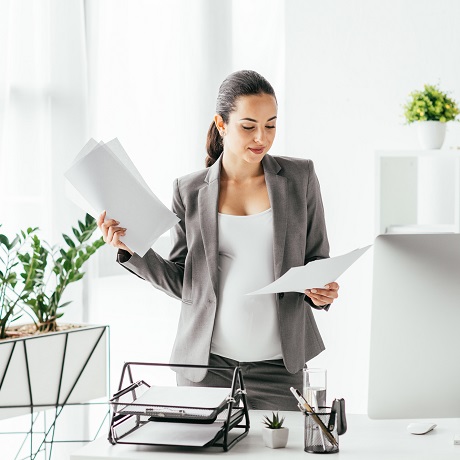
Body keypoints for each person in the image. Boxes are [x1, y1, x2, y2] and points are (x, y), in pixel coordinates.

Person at [97, 70, 339, 410]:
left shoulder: (300, 178)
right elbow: (184, 281)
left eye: (270, 125)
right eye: (248, 126)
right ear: (221, 124)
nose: (262, 137)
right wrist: (132, 251)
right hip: (206, 368)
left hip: (279, 370)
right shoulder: (189, 190)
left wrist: (321, 289)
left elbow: (317, 257)